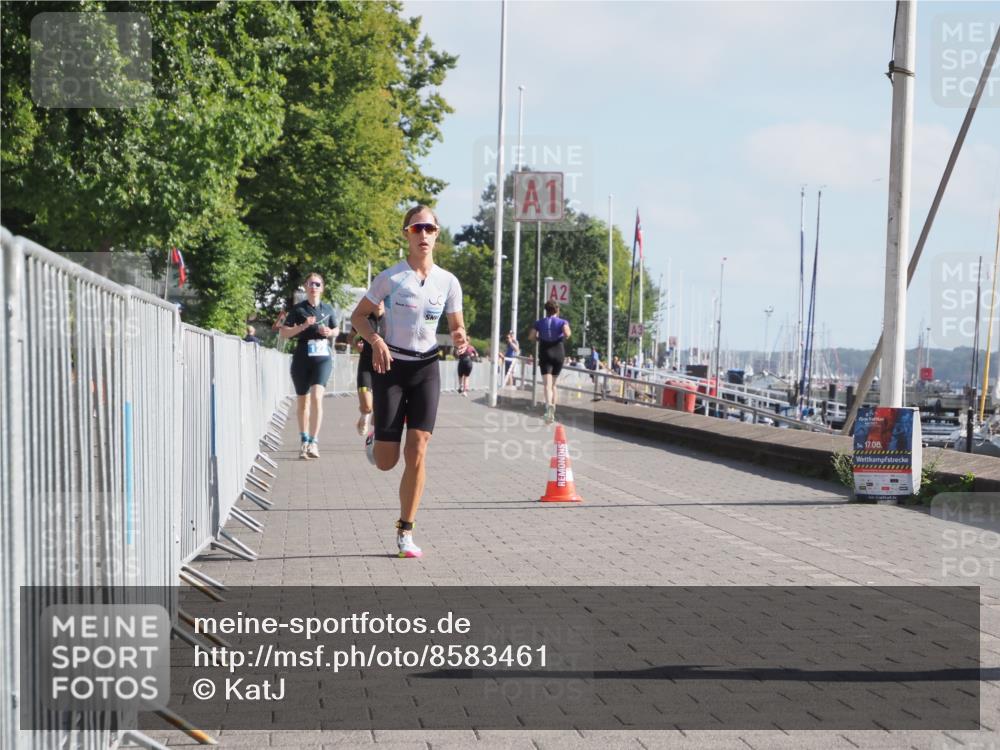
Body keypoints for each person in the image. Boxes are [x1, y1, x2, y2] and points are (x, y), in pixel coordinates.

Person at [350, 205, 466, 559]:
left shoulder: (448, 281)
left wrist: (461, 337)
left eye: (430, 229)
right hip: (392, 366)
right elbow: (359, 317)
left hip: (426, 368)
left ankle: (405, 531)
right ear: (407, 234)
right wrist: (376, 341)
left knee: (417, 450)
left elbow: (456, 324)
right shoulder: (391, 278)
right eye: (417, 228)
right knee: (387, 461)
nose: (424, 235)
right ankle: (377, 437)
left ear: (437, 234)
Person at [279, 273, 339, 459]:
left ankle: (314, 442)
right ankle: (304, 440)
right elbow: (284, 333)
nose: (314, 286)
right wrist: (303, 326)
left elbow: (336, 329)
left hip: (322, 357)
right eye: (310, 283)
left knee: (317, 397)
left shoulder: (328, 309)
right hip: (302, 356)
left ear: (322, 288)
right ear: (305, 287)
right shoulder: (298, 310)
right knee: (303, 401)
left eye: (317, 283)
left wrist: (330, 332)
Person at [529, 300, 571, 424]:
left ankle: (548, 409)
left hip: (545, 352)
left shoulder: (539, 323)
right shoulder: (562, 321)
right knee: (554, 384)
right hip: (558, 352)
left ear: (546, 310)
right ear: (557, 310)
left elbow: (531, 336)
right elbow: (567, 333)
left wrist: (540, 338)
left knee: (547, 385)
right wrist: (561, 336)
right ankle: (554, 408)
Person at [355, 301, 384, 436]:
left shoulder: (392, 320)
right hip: (366, 366)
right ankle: (364, 416)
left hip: (384, 367)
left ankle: (375, 439)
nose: (378, 302)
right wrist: (356, 344)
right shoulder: (364, 319)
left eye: (381, 299)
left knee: (380, 410)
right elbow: (351, 337)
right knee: (367, 406)